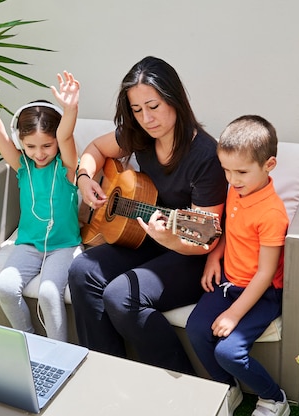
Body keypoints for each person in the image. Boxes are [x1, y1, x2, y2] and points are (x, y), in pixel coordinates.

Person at [68, 56, 227, 375]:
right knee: (82, 270)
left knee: (122, 295)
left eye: (153, 106)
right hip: (148, 236)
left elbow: (205, 239)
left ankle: (183, 385)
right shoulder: (137, 135)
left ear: (174, 98)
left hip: (188, 255)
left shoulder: (207, 157)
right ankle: (106, 371)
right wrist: (84, 179)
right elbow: (95, 150)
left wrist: (170, 237)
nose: (146, 118)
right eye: (137, 110)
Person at [185, 115, 290, 416]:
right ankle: (228, 388)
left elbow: (265, 272)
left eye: (241, 171)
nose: (232, 179)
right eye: (226, 170)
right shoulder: (237, 189)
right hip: (229, 282)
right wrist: (213, 256)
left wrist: (233, 314)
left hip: (262, 292)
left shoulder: (271, 213)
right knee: (196, 329)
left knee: (229, 352)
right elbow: (230, 229)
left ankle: (274, 399)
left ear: (269, 165)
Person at [0, 61, 82, 342]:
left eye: (47, 145)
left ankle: (60, 350)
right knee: (6, 287)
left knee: (48, 292)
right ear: (21, 143)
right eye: (31, 146)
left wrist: (70, 109)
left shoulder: (67, 168)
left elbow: (66, 135)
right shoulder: (23, 167)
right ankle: (29, 341)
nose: (39, 153)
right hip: (29, 245)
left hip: (63, 246)